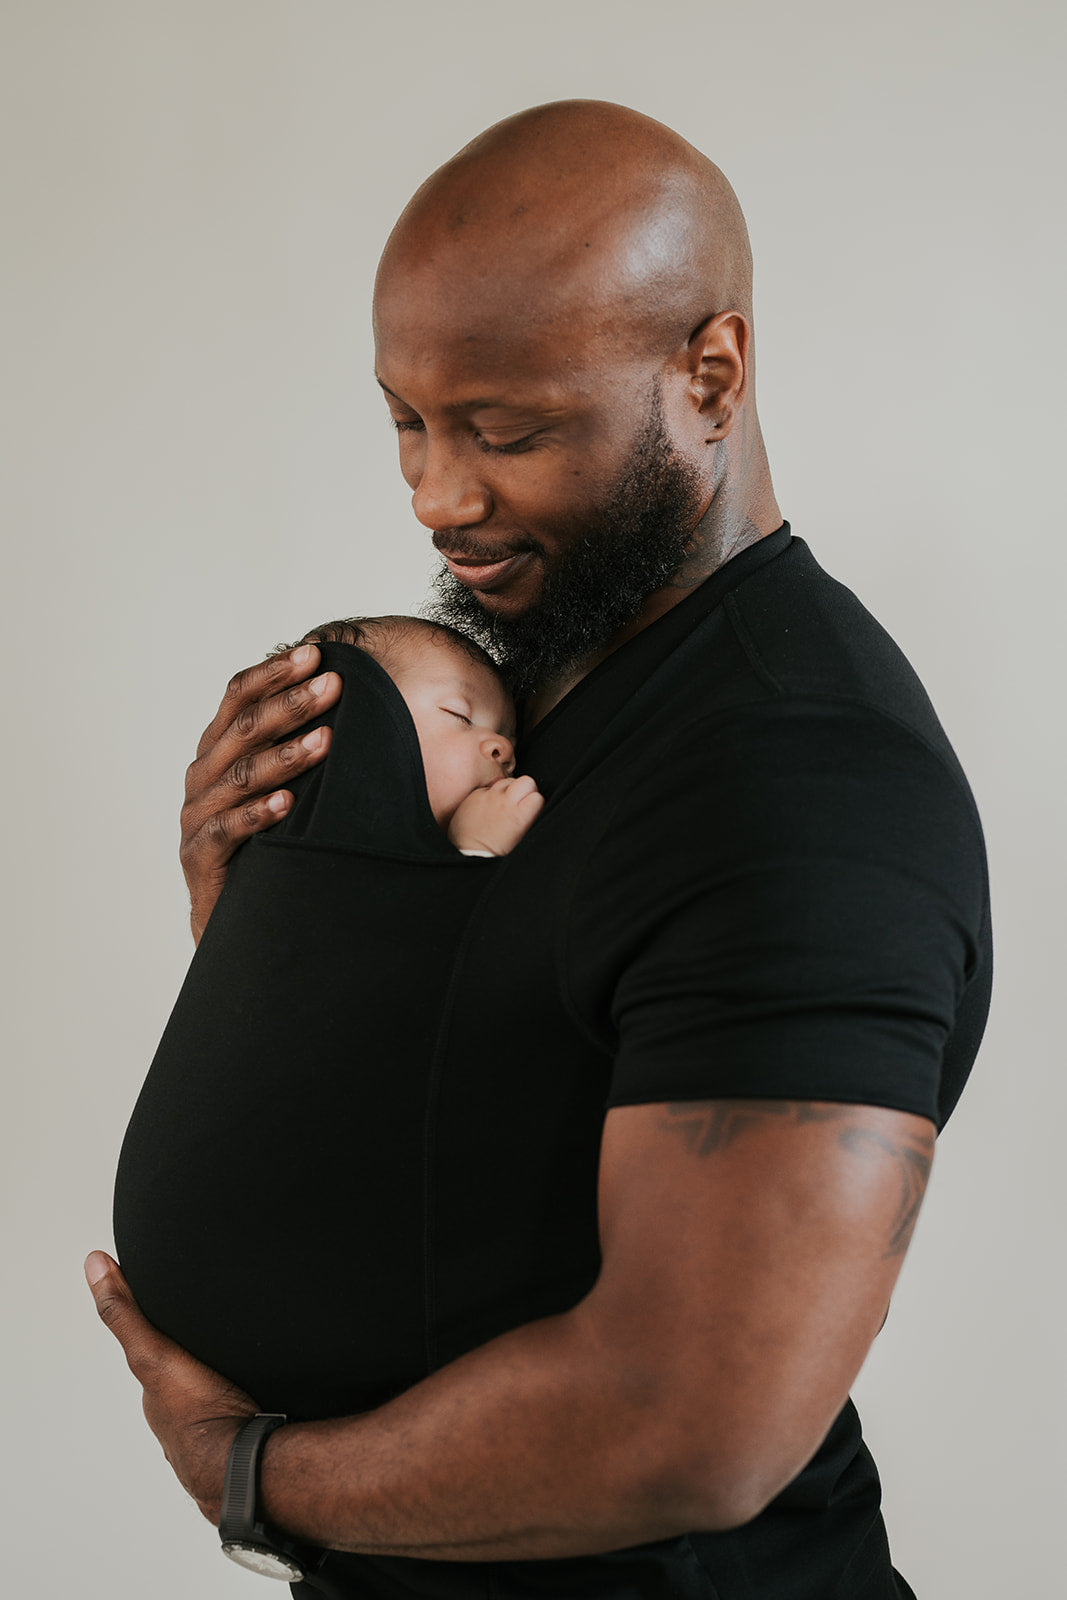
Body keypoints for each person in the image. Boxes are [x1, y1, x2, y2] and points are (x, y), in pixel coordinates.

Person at [87, 99, 992, 1600]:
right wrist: (274, 927)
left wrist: (248, 1474)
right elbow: (480, 1087)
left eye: (506, 433)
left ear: (709, 375)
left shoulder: (805, 785)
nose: (437, 498)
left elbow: (691, 1423)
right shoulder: (539, 666)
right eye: (407, 420)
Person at [280, 613, 544, 857]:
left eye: (511, 741)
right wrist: (478, 851)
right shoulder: (311, 854)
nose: (503, 749)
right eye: (460, 716)